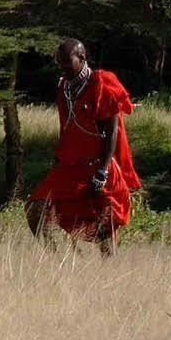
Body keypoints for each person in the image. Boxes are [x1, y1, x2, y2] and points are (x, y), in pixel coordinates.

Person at [27, 38, 140, 255]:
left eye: (67, 62)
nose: (62, 67)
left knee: (103, 228)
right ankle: (56, 261)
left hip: (97, 167)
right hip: (69, 167)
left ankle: (108, 276)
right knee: (35, 210)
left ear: (82, 58)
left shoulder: (102, 85)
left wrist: (103, 171)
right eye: (59, 62)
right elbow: (67, 127)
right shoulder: (64, 88)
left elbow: (112, 131)